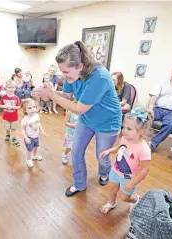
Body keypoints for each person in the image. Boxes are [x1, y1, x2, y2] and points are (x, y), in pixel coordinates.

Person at [32, 41, 122, 197]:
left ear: (80, 66)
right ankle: (79, 184)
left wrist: (52, 95)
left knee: (101, 156)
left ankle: (104, 173)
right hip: (87, 119)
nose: (64, 76)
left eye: (66, 72)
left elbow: (79, 108)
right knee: (76, 151)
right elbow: (67, 96)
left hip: (108, 123)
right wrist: (49, 92)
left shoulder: (99, 77)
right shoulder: (71, 76)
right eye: (62, 72)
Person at [100, 108, 152, 214]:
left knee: (124, 198)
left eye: (129, 129)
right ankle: (111, 203)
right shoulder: (124, 138)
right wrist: (110, 150)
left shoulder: (144, 149)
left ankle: (135, 199)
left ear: (141, 131)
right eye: (124, 127)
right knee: (112, 190)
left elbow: (144, 170)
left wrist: (132, 183)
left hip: (129, 178)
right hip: (115, 171)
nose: (124, 131)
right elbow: (120, 147)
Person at [21, 98, 46, 168]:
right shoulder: (25, 120)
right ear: (25, 110)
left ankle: (34, 156)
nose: (32, 109)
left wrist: (42, 131)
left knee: (36, 147)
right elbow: (22, 130)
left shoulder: (36, 116)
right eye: (29, 108)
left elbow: (38, 124)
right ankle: (28, 159)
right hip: (29, 138)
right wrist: (25, 138)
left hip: (36, 136)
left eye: (34, 107)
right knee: (29, 150)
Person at [0, 80, 21, 147]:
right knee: (7, 128)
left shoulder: (16, 98)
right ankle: (8, 135)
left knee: (13, 128)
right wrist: (5, 106)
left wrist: (12, 107)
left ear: (15, 88)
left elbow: (18, 107)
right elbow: (0, 105)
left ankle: (14, 138)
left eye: (12, 87)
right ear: (6, 88)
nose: (11, 89)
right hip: (6, 117)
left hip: (14, 117)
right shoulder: (4, 97)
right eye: (9, 87)